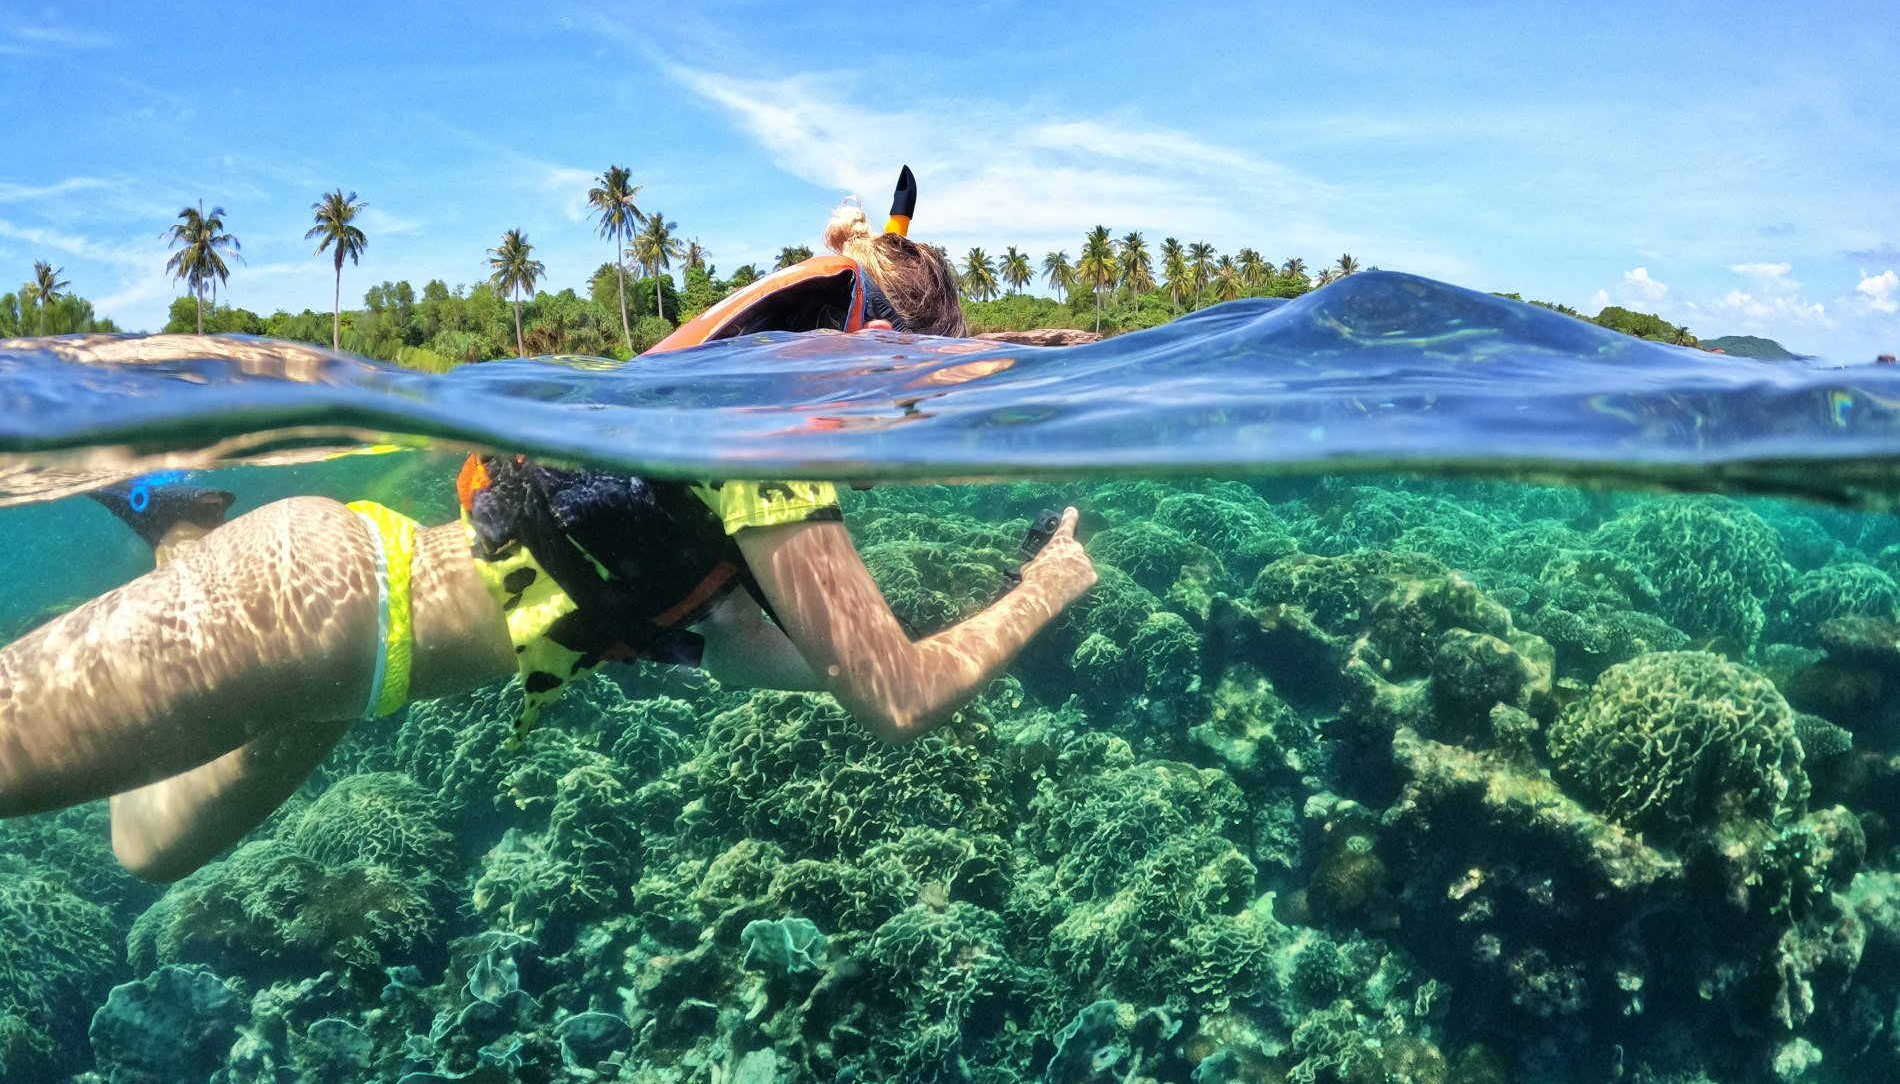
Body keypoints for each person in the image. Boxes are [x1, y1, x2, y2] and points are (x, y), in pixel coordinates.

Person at [0, 178, 1098, 885]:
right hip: (310, 607)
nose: (901, 439)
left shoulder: (744, 453)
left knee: (148, 850)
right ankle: (189, 538)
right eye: (912, 399)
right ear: (877, 360)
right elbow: (894, 696)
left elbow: (756, 654)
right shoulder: (771, 455)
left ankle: (177, 526)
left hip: (337, 665)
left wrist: (872, 646)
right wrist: (1048, 583)